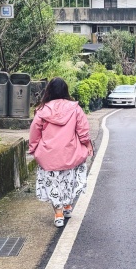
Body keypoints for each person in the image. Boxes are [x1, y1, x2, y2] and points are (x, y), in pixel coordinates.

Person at [28, 77, 93, 228]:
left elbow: (34, 134)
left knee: (53, 184)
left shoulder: (42, 110)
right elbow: (83, 131)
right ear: (65, 90)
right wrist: (86, 144)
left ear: (49, 91)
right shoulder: (75, 108)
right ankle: (68, 206)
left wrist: (33, 149)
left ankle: (58, 214)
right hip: (70, 153)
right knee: (68, 180)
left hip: (49, 155)